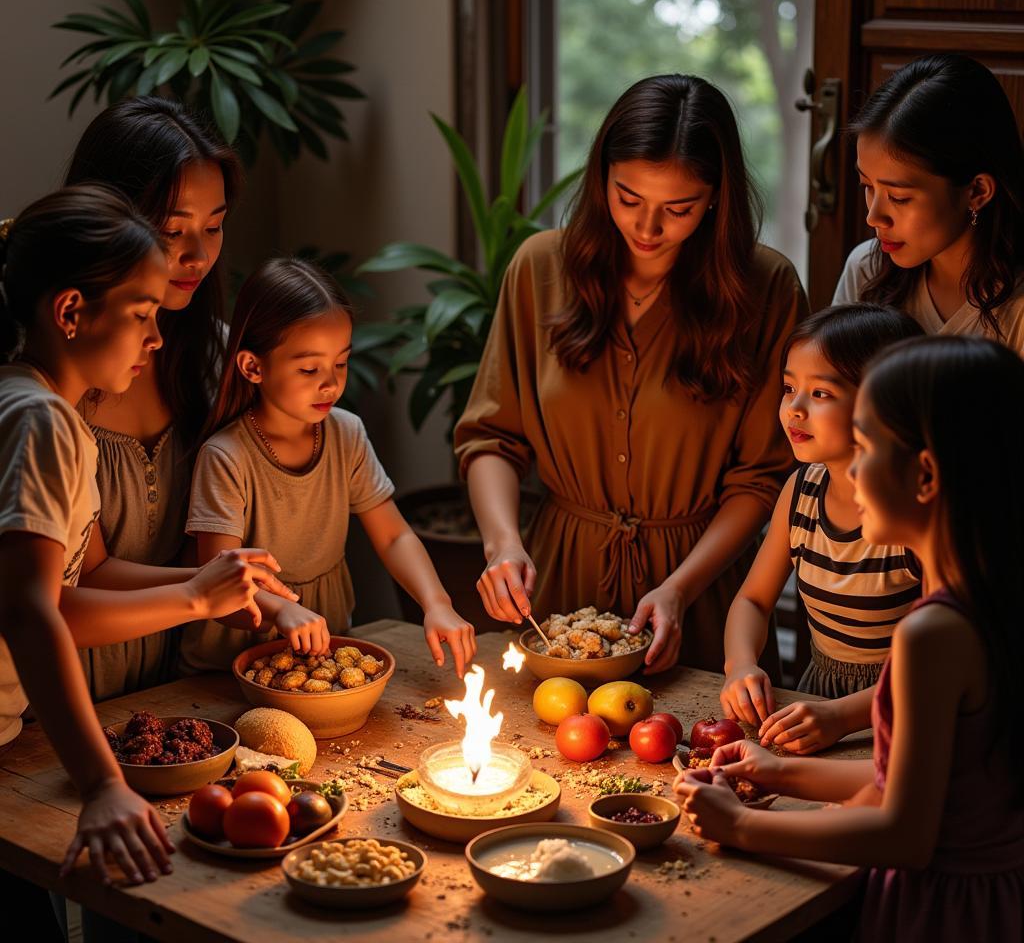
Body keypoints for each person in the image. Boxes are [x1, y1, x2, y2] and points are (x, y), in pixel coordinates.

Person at [675, 336, 1024, 942]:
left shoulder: (932, 633)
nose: (852, 471)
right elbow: (910, 780)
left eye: (864, 448)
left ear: (925, 475)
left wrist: (740, 827)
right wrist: (775, 772)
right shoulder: (993, 600)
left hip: (944, 911)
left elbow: (903, 833)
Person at [455, 73, 807, 673]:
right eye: (627, 198)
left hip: (702, 595)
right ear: (601, 179)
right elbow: (492, 437)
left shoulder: (766, 288)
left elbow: (763, 479)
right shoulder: (539, 268)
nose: (647, 229)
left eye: (678, 209)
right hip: (559, 582)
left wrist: (680, 589)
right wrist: (502, 544)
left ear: (717, 197)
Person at [0, 186, 295, 887]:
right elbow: (31, 611)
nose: (158, 338)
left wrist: (208, 589)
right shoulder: (44, 424)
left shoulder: (29, 403)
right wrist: (103, 784)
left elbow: (72, 587)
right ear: (71, 311)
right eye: (142, 315)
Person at [181, 258, 477, 676]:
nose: (331, 383)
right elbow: (219, 579)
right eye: (309, 368)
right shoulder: (227, 456)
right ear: (253, 367)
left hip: (322, 654)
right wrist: (281, 610)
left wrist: (437, 604)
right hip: (226, 669)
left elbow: (393, 536)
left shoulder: (346, 433)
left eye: (341, 363)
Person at [64, 96, 254, 700]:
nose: (197, 256)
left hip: (178, 679)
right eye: (172, 231)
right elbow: (75, 585)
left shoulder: (214, 355)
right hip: (62, 687)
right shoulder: (51, 393)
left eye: (215, 226)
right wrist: (205, 589)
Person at [721, 304, 923, 753]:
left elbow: (938, 669)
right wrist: (740, 665)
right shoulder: (801, 491)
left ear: (884, 404)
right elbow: (753, 600)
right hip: (817, 697)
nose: (794, 409)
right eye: (789, 387)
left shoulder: (913, 517)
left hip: (899, 711)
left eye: (821, 394)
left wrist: (842, 716)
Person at [834, 53, 1024, 354]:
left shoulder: (1018, 309)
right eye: (867, 186)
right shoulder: (867, 271)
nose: (874, 217)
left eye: (899, 197)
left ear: (977, 191)